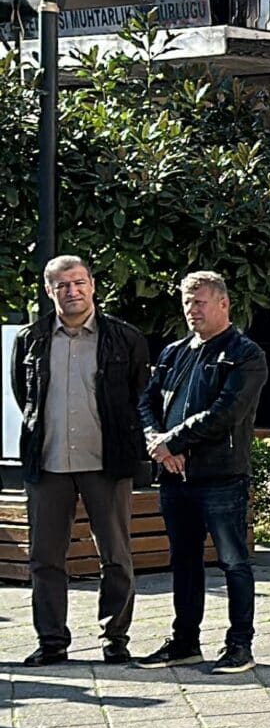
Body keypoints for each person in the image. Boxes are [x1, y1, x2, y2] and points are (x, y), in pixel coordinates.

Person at [12, 256, 156, 666]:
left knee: (116, 554)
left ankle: (115, 638)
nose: (71, 291)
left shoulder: (125, 339)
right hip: (49, 462)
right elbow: (26, 398)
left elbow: (138, 398)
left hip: (105, 462)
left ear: (92, 285)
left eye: (78, 282)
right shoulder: (31, 339)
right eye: (62, 285)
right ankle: (52, 641)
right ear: (49, 291)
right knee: (44, 558)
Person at [135, 271, 269, 674]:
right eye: (186, 303)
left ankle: (239, 645)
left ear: (224, 304)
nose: (191, 310)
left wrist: (172, 442)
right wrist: (156, 443)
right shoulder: (175, 351)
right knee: (184, 562)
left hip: (221, 477)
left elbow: (226, 413)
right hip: (175, 478)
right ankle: (185, 642)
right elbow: (146, 402)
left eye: (200, 302)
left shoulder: (245, 354)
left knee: (233, 562)